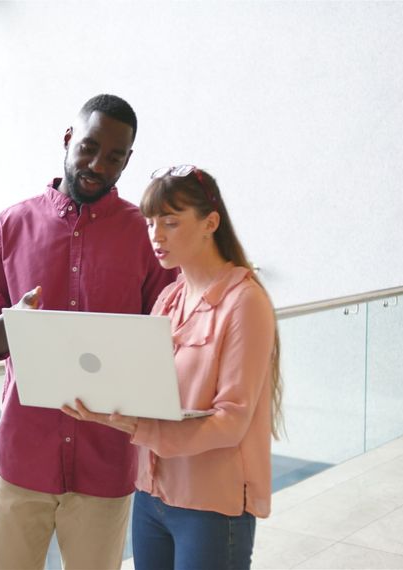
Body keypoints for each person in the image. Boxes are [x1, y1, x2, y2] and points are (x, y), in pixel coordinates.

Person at [0, 94, 176, 569]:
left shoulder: (146, 237)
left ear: (127, 161)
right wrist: (11, 325)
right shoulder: (8, 227)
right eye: (89, 148)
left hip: (107, 464)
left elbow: (170, 339)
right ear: (67, 139)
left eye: (114, 156)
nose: (98, 165)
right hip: (22, 459)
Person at [62, 164, 283, 570]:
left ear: (210, 223)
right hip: (151, 496)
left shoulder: (244, 302)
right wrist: (102, 404)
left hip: (210, 506)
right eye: (150, 223)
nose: (156, 235)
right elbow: (147, 391)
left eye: (170, 222)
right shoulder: (169, 298)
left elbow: (231, 421)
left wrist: (139, 427)